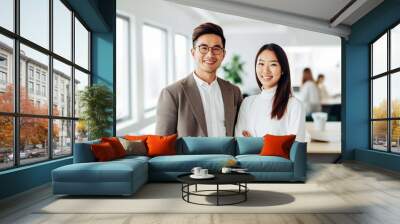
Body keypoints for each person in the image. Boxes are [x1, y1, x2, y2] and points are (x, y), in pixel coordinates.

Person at [156, 22, 242, 137]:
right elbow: (162, 145)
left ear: (223, 54)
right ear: (193, 52)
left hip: (228, 155)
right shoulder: (172, 94)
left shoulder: (233, 92)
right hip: (192, 156)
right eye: (203, 48)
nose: (210, 54)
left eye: (216, 48)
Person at [235, 43, 305, 142]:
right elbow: (240, 145)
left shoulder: (294, 105)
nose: (265, 70)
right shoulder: (247, 103)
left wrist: (253, 142)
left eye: (273, 64)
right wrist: (274, 143)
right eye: (261, 64)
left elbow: (294, 149)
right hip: (247, 158)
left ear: (283, 69)